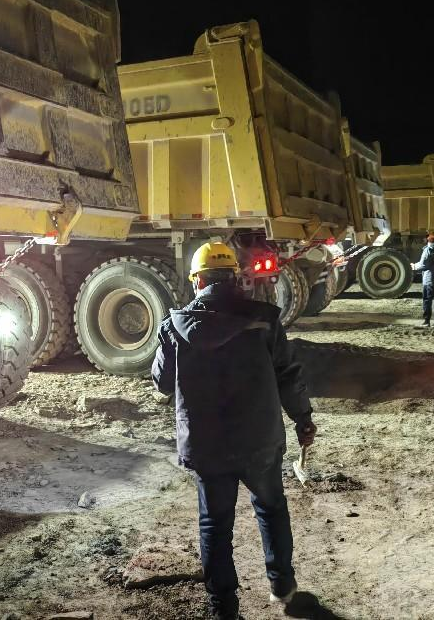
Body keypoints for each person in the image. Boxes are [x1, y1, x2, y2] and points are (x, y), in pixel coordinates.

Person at [151, 242, 317, 620]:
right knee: (271, 509)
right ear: (235, 279)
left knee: (214, 525)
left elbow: (161, 382)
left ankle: (223, 608)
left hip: (207, 445)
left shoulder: (175, 326)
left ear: (197, 281)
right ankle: (282, 584)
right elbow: (288, 375)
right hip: (259, 439)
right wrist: (303, 418)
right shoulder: (264, 320)